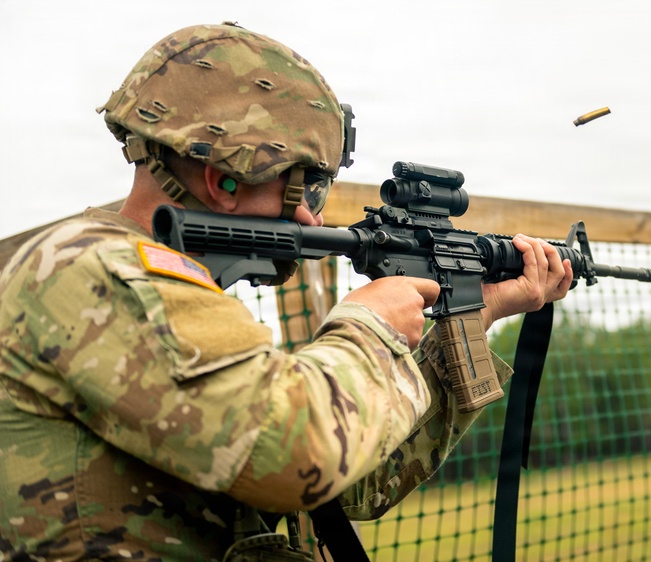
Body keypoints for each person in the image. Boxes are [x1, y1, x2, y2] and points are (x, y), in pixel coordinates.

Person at [0, 22, 572, 561]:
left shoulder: (150, 281)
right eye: (307, 186)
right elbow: (299, 456)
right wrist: (367, 327)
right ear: (222, 179)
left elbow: (350, 484)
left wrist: (482, 309)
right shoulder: (98, 275)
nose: (309, 217)